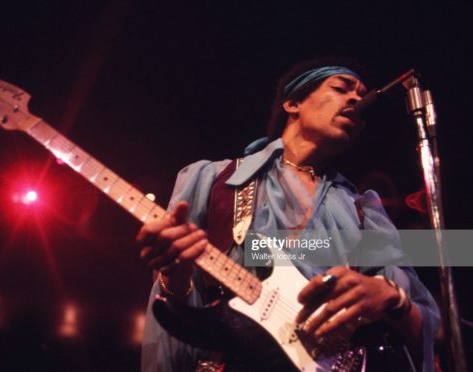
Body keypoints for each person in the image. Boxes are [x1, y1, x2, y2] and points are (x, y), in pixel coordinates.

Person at [137, 58, 439, 371]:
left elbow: (428, 331)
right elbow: (177, 306)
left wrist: (393, 298)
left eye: (362, 97)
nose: (356, 100)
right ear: (292, 103)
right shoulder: (215, 180)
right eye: (341, 88)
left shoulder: (362, 211)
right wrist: (174, 275)